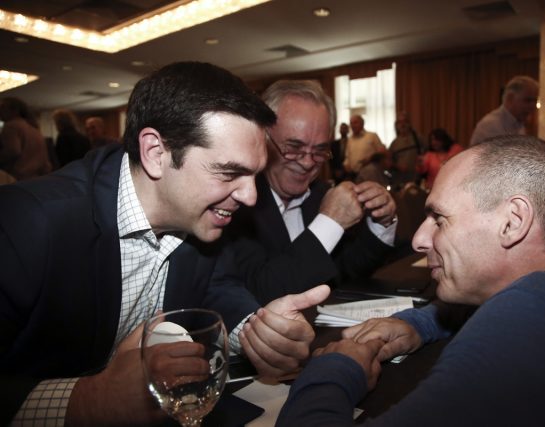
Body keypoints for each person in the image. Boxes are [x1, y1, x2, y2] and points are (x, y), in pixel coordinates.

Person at [0, 62, 331, 426]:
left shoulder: (201, 218)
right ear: (156, 152)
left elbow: (217, 286)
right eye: (229, 172)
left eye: (254, 174)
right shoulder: (26, 224)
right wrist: (89, 400)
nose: (250, 196)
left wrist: (257, 330)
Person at [276, 135, 545, 426]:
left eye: (439, 218)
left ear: (513, 221)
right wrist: (423, 323)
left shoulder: (533, 316)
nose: (419, 239)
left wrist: (335, 370)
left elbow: (529, 323)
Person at [222, 80, 398, 304]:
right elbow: (260, 292)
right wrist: (329, 222)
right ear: (262, 138)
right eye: (294, 148)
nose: (307, 162)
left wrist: (381, 223)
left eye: (319, 151)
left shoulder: (320, 194)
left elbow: (346, 270)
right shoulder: (236, 204)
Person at [469, 75, 539, 146]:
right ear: (510, 98)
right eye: (528, 100)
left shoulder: (519, 125)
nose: (533, 106)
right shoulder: (490, 126)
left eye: (535, 100)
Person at [0, 97, 51, 180]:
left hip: (18, 176)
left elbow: (13, 151)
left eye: (2, 108)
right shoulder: (34, 128)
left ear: (14, 110)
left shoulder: (11, 126)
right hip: (37, 176)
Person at [388, 112, 425, 186]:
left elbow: (427, 154)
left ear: (409, 124)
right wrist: (397, 166)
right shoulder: (394, 143)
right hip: (401, 180)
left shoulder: (418, 138)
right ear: (396, 125)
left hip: (417, 178)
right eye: (399, 122)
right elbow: (389, 162)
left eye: (405, 121)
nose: (402, 124)